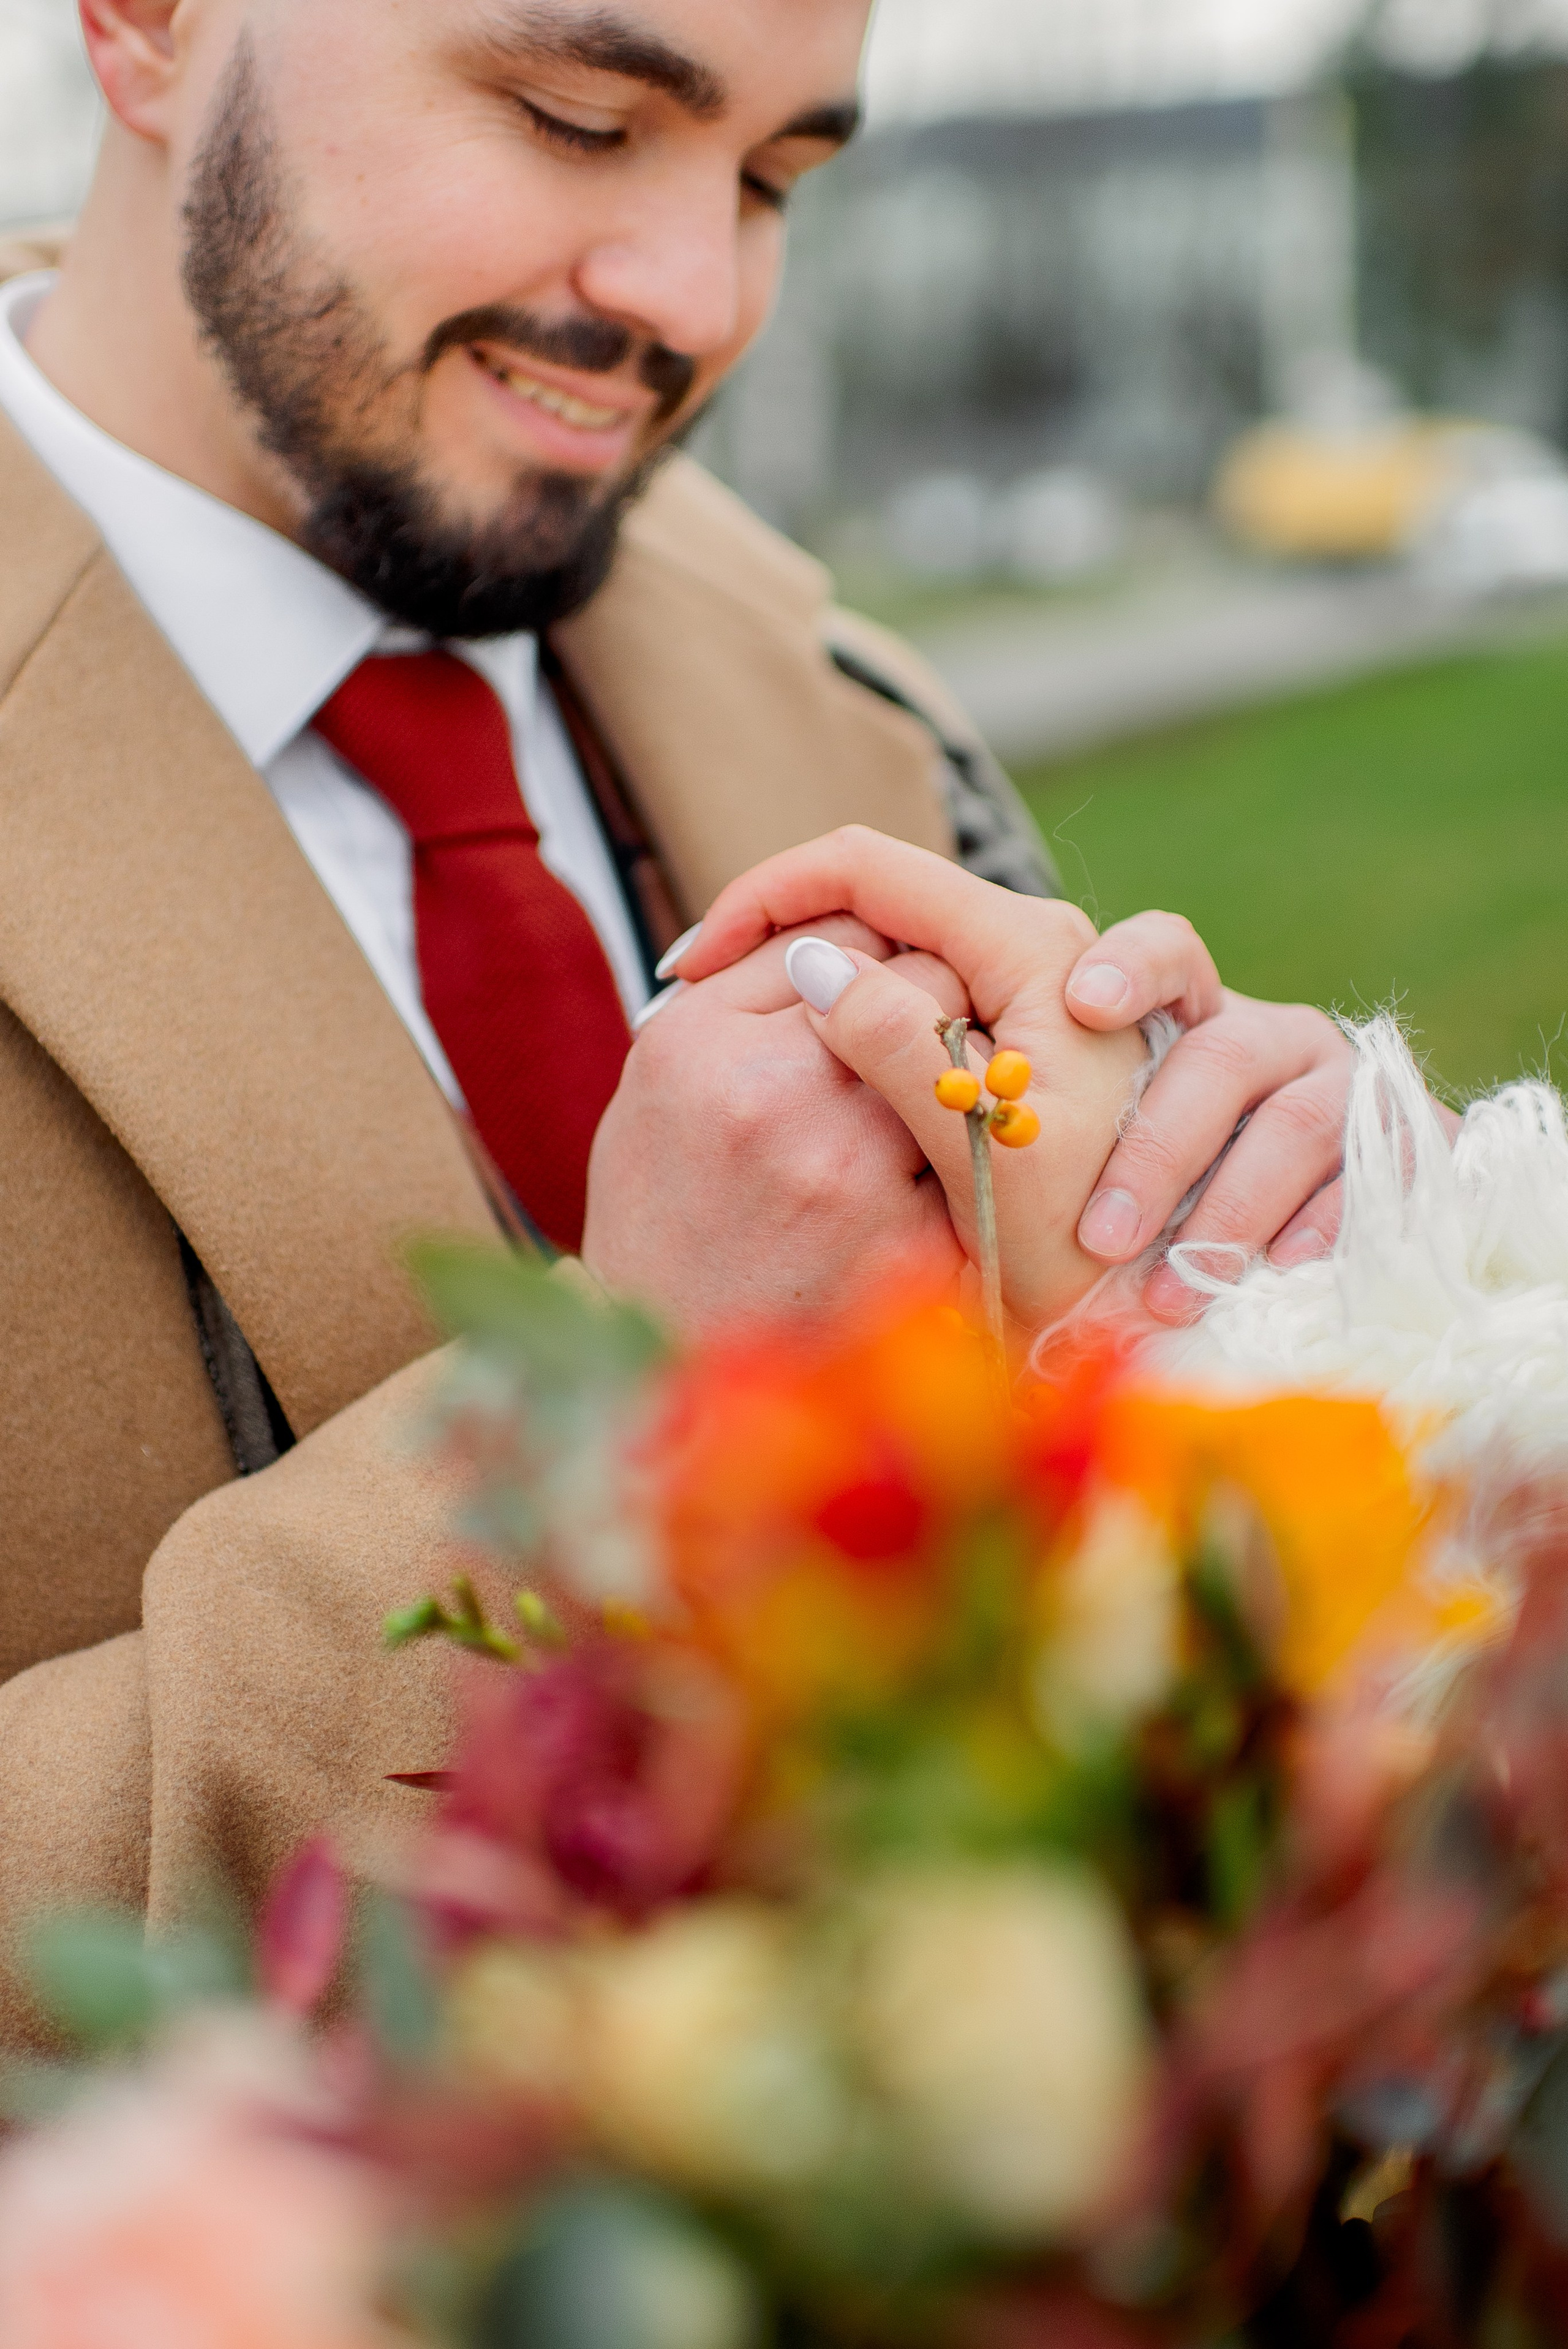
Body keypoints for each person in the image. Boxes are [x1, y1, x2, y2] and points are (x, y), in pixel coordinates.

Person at [0, 0, 1352, 2027]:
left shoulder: (853, 709)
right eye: (576, 116)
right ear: (146, 26)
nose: (697, 302)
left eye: (775, 179)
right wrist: (614, 1437)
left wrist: (1268, 1289)